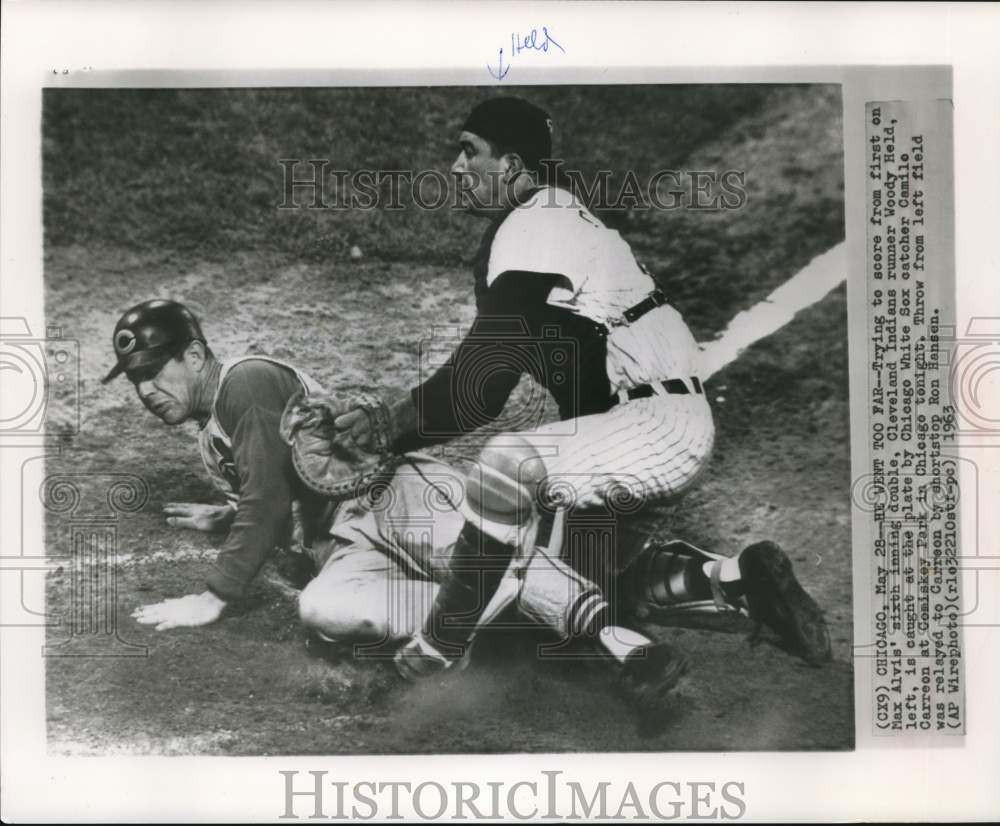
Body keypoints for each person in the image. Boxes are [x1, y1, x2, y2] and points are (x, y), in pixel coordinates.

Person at [331, 97, 833, 679]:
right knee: (575, 587)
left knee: (507, 465)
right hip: (645, 424)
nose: (455, 167)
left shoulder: (532, 229)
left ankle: (439, 647)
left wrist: (385, 425)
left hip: (651, 428)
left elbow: (477, 384)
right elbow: (495, 387)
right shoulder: (552, 218)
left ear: (513, 167)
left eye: (470, 152)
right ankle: (739, 579)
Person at [103, 300, 688, 714]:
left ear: (197, 354)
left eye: (154, 371)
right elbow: (272, 490)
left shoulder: (247, 386)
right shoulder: (216, 423)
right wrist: (229, 515)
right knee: (325, 611)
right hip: (345, 546)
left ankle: (632, 648)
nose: (146, 389)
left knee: (490, 561)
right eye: (135, 379)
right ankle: (493, 626)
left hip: (392, 497)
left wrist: (214, 596)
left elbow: (270, 500)